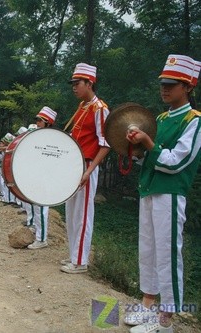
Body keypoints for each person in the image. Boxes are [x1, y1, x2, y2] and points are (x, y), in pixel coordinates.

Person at [124, 55, 201, 333]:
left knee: (167, 253)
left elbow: (178, 161)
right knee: (147, 249)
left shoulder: (194, 121)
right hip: (149, 189)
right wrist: (134, 148)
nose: (165, 89)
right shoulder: (158, 118)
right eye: (163, 84)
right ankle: (147, 304)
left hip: (170, 193)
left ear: (189, 86)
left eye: (172, 84)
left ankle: (166, 320)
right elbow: (148, 158)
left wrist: (148, 143)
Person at [61, 63, 110, 274]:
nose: (74, 87)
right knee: (71, 211)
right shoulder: (82, 107)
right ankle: (74, 256)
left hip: (87, 164)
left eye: (77, 83)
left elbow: (106, 143)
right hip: (74, 164)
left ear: (90, 83)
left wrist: (89, 172)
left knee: (83, 213)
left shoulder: (100, 109)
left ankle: (80, 261)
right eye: (72, 83)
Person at [25, 107, 57, 250]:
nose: (37, 123)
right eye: (37, 120)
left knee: (41, 207)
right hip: (37, 175)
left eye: (40, 121)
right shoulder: (39, 136)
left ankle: (42, 239)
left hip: (45, 177)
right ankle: (37, 231)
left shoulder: (51, 138)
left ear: (47, 123)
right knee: (35, 205)